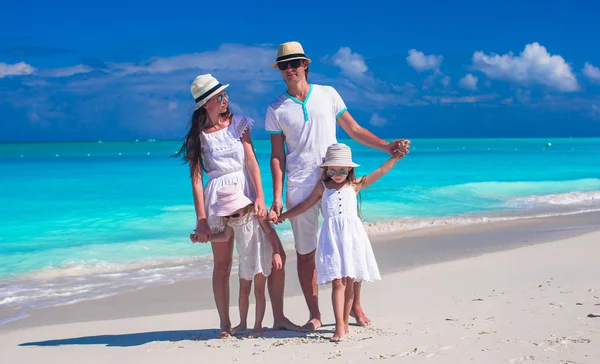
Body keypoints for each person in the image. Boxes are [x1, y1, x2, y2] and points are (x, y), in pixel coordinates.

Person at [265, 41, 410, 331]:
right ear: (280, 71)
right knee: (306, 254)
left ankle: (354, 306)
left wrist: (387, 147)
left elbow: (354, 130)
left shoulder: (328, 94)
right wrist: (277, 197)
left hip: (337, 180)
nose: (290, 69)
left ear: (306, 64)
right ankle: (315, 314)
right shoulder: (276, 109)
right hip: (300, 185)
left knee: (349, 244)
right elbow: (278, 156)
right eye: (284, 65)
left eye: (295, 63)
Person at [176, 74, 296, 338]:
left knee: (258, 255)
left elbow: (251, 161)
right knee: (222, 264)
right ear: (206, 104)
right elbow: (196, 180)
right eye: (220, 97)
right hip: (217, 199)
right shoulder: (198, 136)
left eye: (225, 95)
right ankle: (225, 324)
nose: (225, 99)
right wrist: (202, 219)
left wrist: (261, 197)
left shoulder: (239, 123)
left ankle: (270, 317)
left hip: (245, 193)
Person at [275, 143, 408, 342]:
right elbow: (304, 206)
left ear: (349, 170)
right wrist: (283, 215)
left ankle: (344, 323)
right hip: (332, 239)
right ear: (326, 169)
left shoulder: (355, 185)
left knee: (350, 280)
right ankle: (339, 325)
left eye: (342, 170)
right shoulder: (322, 188)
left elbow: (381, 171)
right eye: (333, 169)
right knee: (337, 282)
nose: (337, 174)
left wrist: (396, 157)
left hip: (352, 237)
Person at [201, 183, 284, 338]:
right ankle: (243, 322)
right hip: (245, 257)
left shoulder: (256, 215)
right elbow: (225, 237)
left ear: (244, 206)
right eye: (227, 215)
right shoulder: (231, 221)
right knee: (243, 291)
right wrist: (206, 238)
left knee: (258, 291)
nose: (231, 217)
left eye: (234, 214)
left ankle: (258, 326)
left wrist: (276, 253)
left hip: (261, 255)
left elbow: (270, 233)